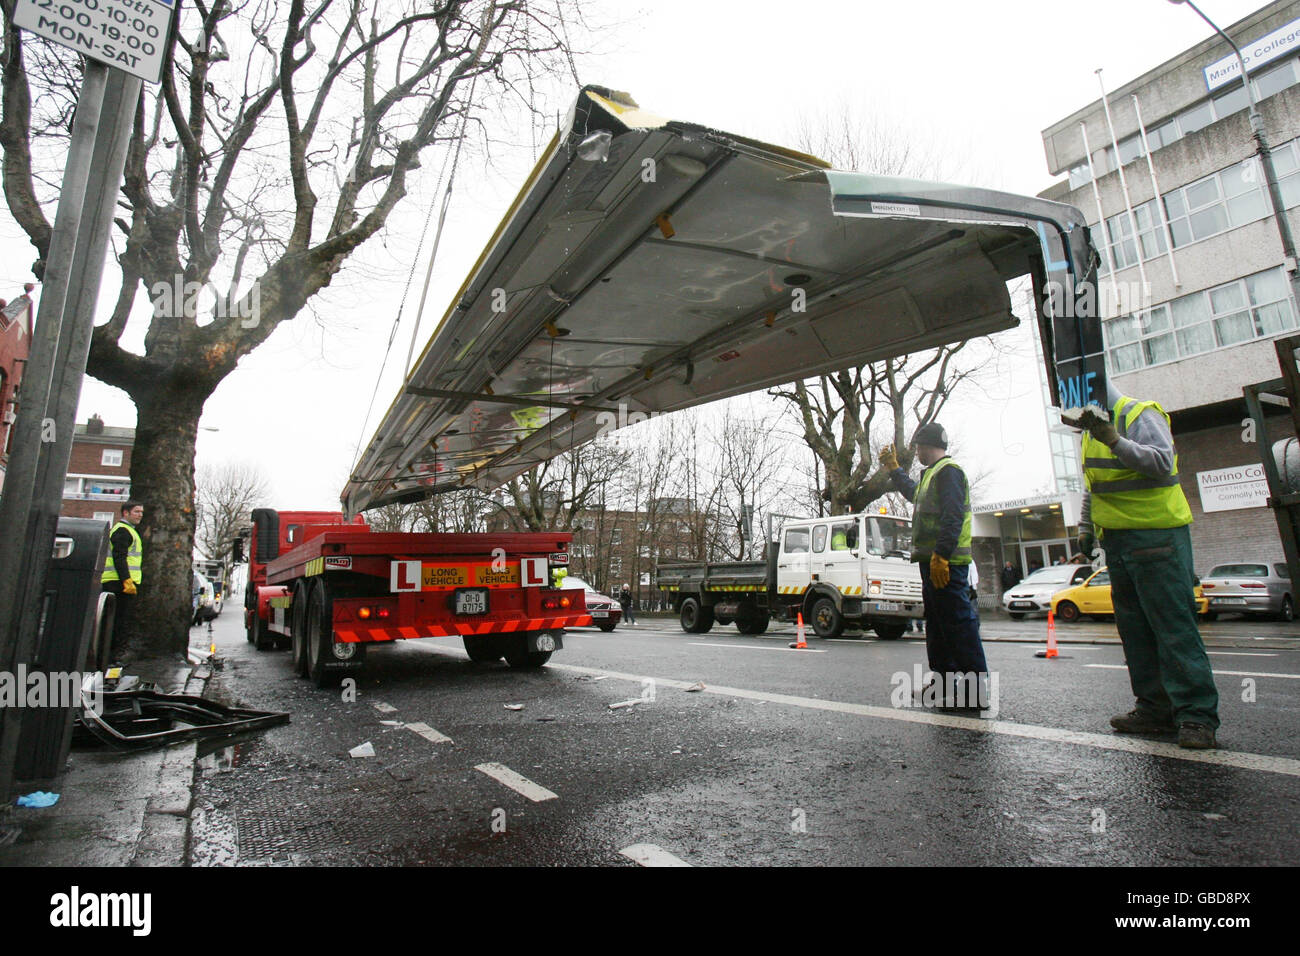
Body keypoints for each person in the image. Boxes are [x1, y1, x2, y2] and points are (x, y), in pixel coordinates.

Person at [1072, 387, 1219, 749]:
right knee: (1136, 631)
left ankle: (1196, 716)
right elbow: (1097, 485)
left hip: (1157, 535)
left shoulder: (1136, 414)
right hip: (1120, 542)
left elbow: (1160, 462)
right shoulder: (1090, 430)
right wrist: (1086, 527)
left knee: (1173, 628)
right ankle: (1155, 709)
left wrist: (1115, 440)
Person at [880, 424, 988, 710]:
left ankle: (975, 692)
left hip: (947, 564)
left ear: (926, 445)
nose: (916, 453)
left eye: (917, 447)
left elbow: (953, 516)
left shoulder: (948, 471)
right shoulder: (931, 476)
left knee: (959, 626)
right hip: (933, 563)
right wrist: (894, 470)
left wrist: (941, 554)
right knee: (939, 627)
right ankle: (942, 684)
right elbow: (914, 493)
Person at [101, 500, 144, 642]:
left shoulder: (128, 530)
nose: (140, 515)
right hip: (118, 583)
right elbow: (119, 557)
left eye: (141, 512)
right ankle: (111, 657)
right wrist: (126, 580)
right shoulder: (122, 531)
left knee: (117, 622)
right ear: (126, 513)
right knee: (117, 623)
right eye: (137, 512)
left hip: (120, 582)